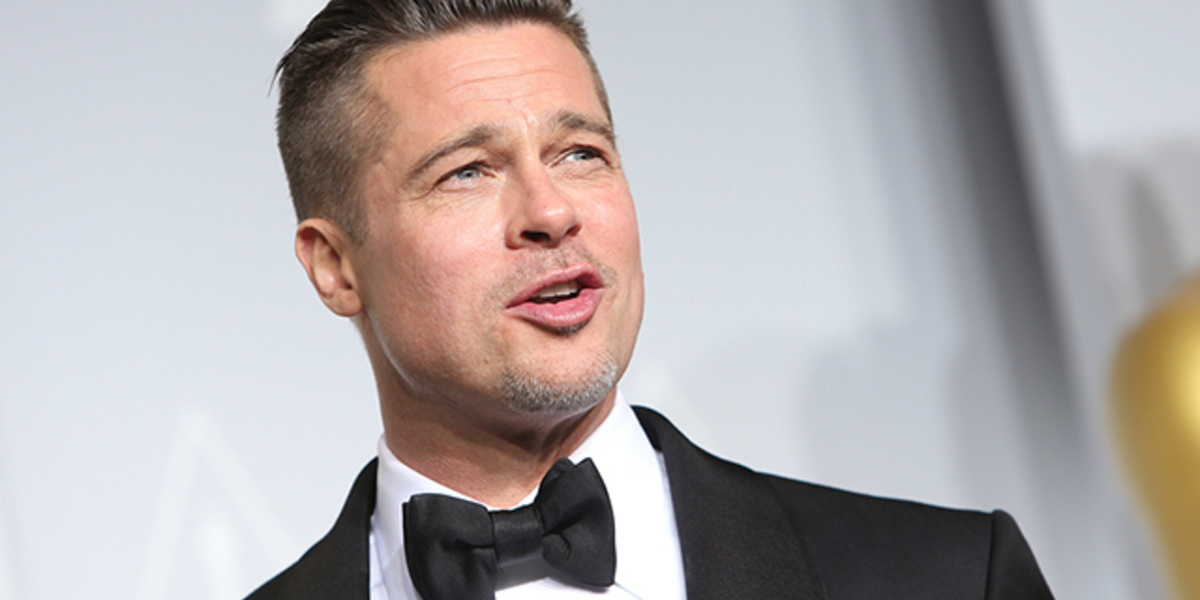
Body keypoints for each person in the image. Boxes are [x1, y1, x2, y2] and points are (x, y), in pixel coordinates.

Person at [248, 0, 1054, 598]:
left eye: (580, 153)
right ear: (335, 267)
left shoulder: (950, 578)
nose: (551, 211)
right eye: (468, 172)